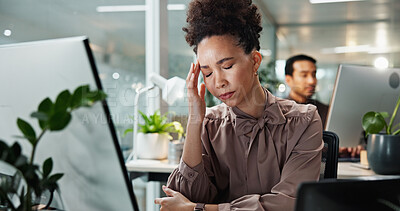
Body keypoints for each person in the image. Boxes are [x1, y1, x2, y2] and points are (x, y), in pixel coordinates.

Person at [154, 1, 324, 211]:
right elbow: (183, 197)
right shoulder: (210, 124)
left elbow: (288, 203)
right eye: (207, 73)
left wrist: (200, 209)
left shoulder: (304, 120)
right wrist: (195, 121)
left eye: (227, 66)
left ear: (255, 61)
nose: (218, 82)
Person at [284, 54, 329, 128]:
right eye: (304, 75)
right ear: (288, 80)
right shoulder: (279, 112)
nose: (312, 81)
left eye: (314, 75)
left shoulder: (325, 111)